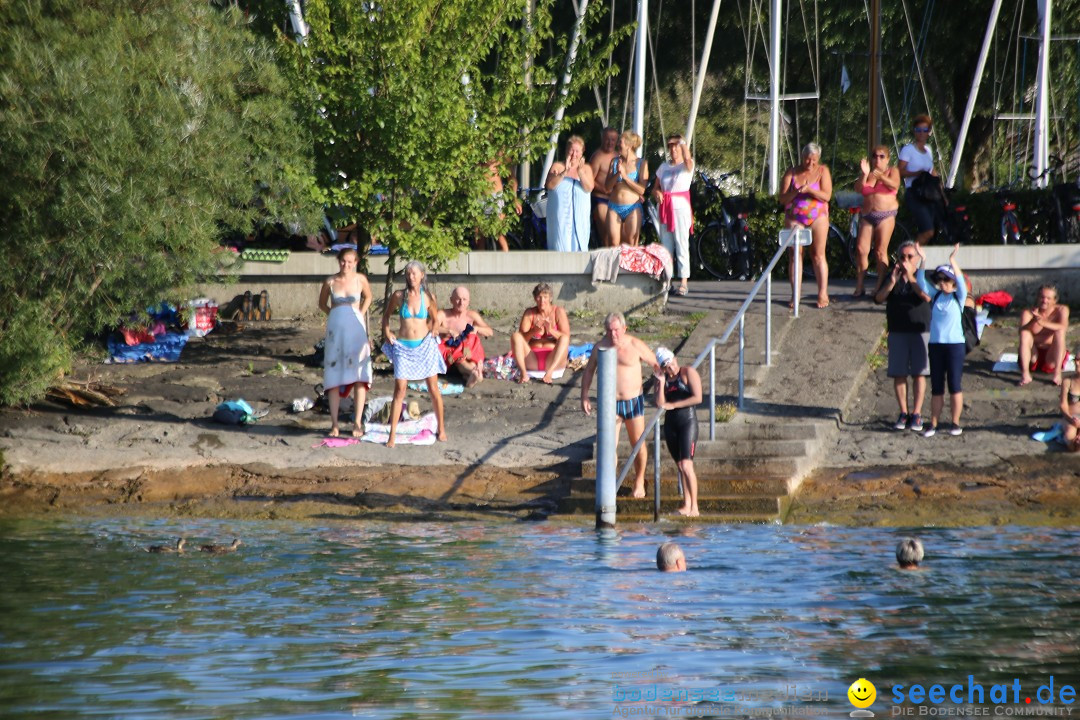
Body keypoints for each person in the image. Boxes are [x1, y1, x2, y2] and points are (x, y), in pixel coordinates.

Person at [580, 312, 660, 499]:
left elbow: (656, 364)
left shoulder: (635, 345)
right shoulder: (601, 347)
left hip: (633, 401)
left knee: (638, 444)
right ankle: (609, 483)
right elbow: (589, 370)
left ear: (624, 328)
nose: (613, 334)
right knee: (607, 446)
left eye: (616, 330)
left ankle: (639, 480)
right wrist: (584, 395)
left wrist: (662, 389)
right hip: (610, 403)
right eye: (609, 331)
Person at [380, 261, 447, 447]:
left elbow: (435, 318)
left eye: (414, 273)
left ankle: (441, 428)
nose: (411, 277)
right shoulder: (399, 296)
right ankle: (392, 434)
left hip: (424, 346)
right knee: (400, 389)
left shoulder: (428, 297)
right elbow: (385, 317)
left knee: (433, 388)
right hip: (403, 346)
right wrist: (387, 332)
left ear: (422, 275)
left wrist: (434, 329)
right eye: (408, 273)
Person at [874, 240, 931, 433]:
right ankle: (903, 412)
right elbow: (878, 298)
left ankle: (917, 413)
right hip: (898, 331)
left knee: (919, 373)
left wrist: (910, 277)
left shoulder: (923, 276)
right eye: (902, 256)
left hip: (919, 330)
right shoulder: (892, 276)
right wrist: (892, 281)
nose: (905, 260)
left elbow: (925, 296)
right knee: (899, 373)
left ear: (916, 259)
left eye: (909, 257)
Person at [318, 248, 373, 438]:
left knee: (359, 374)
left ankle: (357, 421)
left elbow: (369, 297)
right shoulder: (331, 281)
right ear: (339, 261)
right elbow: (322, 303)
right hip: (336, 331)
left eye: (350, 262)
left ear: (356, 262)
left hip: (356, 329)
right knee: (333, 376)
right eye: (343, 261)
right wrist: (335, 315)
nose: (346, 265)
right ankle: (334, 423)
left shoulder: (360, 279)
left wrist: (360, 313)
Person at [915, 243, 966, 437]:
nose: (943, 283)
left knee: (955, 385)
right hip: (936, 346)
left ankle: (955, 423)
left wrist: (953, 261)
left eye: (947, 280)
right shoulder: (935, 296)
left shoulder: (958, 297)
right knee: (937, 386)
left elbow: (961, 281)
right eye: (941, 279)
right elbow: (920, 281)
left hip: (955, 346)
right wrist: (923, 259)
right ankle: (933, 424)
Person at [778, 142, 833, 309]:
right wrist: (796, 191)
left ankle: (822, 292)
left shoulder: (823, 171)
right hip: (795, 216)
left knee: (818, 254)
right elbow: (782, 199)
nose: (810, 163)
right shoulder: (792, 172)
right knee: (795, 255)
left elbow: (826, 196)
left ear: (818, 159)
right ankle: (795, 294)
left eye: (814, 160)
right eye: (808, 160)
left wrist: (810, 190)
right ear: (802, 158)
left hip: (817, 215)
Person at [654, 346, 702, 517]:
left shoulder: (688, 372)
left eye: (672, 363)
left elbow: (698, 397)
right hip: (671, 424)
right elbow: (660, 403)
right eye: (666, 366)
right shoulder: (664, 379)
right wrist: (660, 382)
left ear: (675, 359)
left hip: (688, 422)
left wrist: (673, 405)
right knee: (680, 466)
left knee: (687, 465)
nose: (671, 368)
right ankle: (686, 504)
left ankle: (694, 507)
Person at [854, 145, 901, 298]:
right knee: (861, 250)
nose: (877, 159)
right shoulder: (869, 174)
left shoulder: (892, 171)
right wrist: (864, 174)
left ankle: (880, 285)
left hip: (885, 215)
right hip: (867, 215)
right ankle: (860, 285)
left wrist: (881, 176)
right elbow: (858, 189)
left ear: (887, 159)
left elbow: (895, 185)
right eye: (874, 156)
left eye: (881, 156)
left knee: (880, 251)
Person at [653, 134, 694, 296]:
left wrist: (683, 143)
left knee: (681, 242)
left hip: (680, 208)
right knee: (666, 244)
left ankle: (683, 280)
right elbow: (655, 187)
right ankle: (667, 280)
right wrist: (657, 192)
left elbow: (689, 161)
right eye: (671, 146)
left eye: (676, 146)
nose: (674, 149)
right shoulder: (664, 167)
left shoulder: (685, 166)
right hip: (665, 207)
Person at [510, 282, 571, 384]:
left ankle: (549, 373)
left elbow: (566, 338)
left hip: (553, 360)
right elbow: (521, 340)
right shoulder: (530, 313)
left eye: (545, 297)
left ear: (550, 298)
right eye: (539, 297)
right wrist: (533, 331)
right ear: (535, 299)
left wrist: (551, 330)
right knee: (515, 336)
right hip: (532, 359)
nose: (542, 301)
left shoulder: (558, 311)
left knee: (564, 338)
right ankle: (524, 374)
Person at [437, 286, 494, 388]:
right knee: (459, 357)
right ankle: (474, 372)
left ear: (468, 302)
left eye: (464, 299)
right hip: (450, 357)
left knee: (471, 343)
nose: (461, 302)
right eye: (458, 299)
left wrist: (476, 329)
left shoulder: (472, 315)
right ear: (451, 300)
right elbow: (429, 328)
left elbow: (489, 332)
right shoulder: (443, 315)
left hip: (468, 354)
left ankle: (471, 376)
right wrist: (448, 331)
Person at [546, 135, 595, 252]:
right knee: (560, 244)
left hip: (580, 216)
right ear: (566, 150)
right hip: (561, 217)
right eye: (571, 150)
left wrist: (580, 172)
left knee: (579, 246)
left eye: (577, 151)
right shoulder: (557, 166)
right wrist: (564, 172)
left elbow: (589, 188)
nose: (574, 154)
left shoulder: (586, 168)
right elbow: (550, 185)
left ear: (582, 152)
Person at [603, 130, 650, 247]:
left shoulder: (641, 164)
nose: (618, 144)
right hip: (614, 206)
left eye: (621, 142)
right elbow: (607, 188)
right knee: (613, 243)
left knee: (631, 243)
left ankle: (630, 265)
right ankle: (614, 265)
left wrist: (625, 177)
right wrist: (617, 174)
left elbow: (642, 190)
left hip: (632, 207)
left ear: (629, 146)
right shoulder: (614, 162)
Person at [1019, 284, 1070, 387]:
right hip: (1033, 355)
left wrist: (1042, 322)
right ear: (1038, 298)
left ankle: (1057, 374)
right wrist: (1033, 321)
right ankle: (1025, 374)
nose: (1044, 301)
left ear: (1055, 300)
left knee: (1059, 332)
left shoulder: (1061, 310)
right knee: (1025, 333)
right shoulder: (1028, 313)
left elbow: (1063, 327)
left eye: (1048, 298)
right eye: (1042, 297)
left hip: (1052, 356)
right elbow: (1021, 330)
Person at [899, 114, 938, 246]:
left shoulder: (928, 150)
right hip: (915, 194)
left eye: (925, 130)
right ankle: (910, 258)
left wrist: (940, 185)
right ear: (914, 131)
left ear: (929, 132)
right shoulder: (908, 150)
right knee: (928, 231)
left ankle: (920, 264)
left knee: (929, 232)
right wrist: (917, 173)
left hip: (928, 194)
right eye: (918, 130)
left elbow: (932, 170)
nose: (921, 133)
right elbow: (899, 171)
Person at [475, 156, 519, 252]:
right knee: (479, 237)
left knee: (498, 233)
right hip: (479, 196)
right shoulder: (477, 150)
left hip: (496, 197)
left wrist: (514, 199)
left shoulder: (501, 153)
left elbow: (511, 178)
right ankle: (480, 263)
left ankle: (505, 258)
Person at [589, 127, 620, 248]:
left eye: (613, 140)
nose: (610, 143)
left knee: (618, 234)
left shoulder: (619, 156)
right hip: (600, 199)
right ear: (602, 139)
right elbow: (589, 179)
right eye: (607, 139)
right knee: (606, 232)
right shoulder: (597, 157)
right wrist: (604, 189)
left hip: (616, 200)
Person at [1058, 348, 1080, 452]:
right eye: (1076, 359)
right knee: (1070, 442)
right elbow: (1063, 404)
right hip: (1071, 418)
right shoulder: (1067, 381)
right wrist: (1070, 419)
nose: (1077, 363)